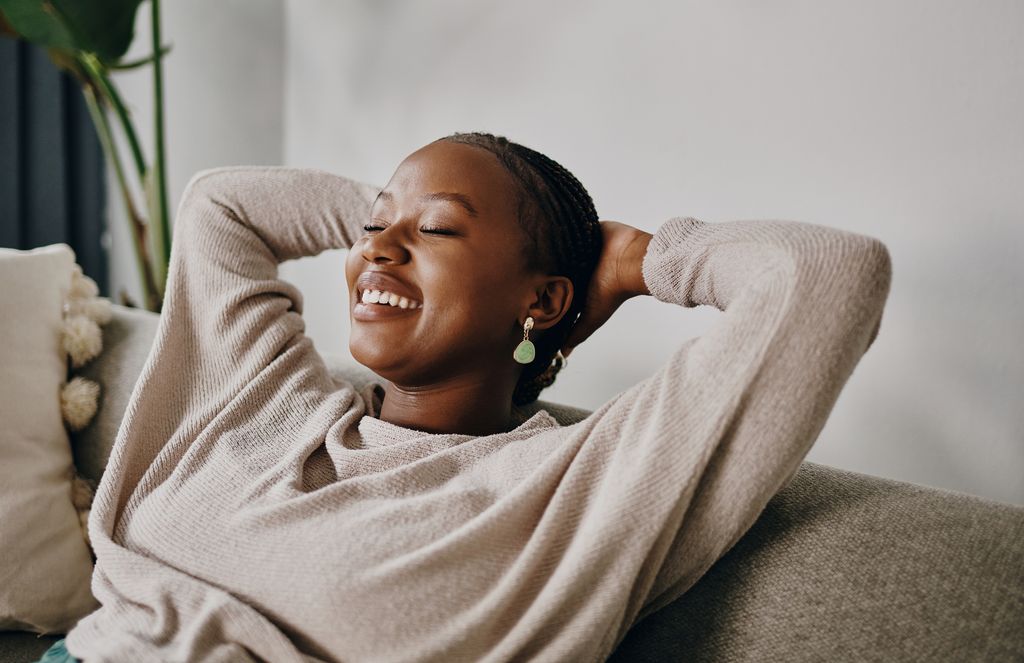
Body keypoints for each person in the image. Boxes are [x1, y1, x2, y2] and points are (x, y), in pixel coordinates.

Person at [53, 132, 891, 662]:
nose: (376, 251)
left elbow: (827, 276)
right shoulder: (269, 399)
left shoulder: (574, 491)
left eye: (440, 230)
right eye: (373, 230)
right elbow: (221, 206)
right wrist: (395, 219)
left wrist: (636, 261)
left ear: (547, 298)